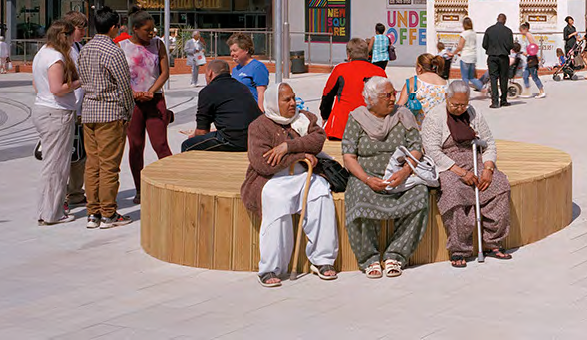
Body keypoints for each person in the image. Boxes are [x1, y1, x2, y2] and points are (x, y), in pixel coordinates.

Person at [242, 82, 337, 286]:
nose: (293, 103)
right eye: (287, 100)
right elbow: (263, 163)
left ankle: (323, 260)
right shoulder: (259, 126)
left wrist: (288, 147)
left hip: (305, 174)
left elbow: (318, 139)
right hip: (273, 179)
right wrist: (300, 155)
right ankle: (270, 268)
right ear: (274, 103)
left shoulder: (305, 118)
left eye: (294, 98)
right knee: (276, 202)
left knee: (321, 193)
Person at [341, 78, 430, 277]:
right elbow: (348, 156)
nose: (393, 98)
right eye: (387, 95)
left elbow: (416, 146)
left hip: (400, 174)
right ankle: (369, 258)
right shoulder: (356, 118)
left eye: (393, 93)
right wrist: (366, 179)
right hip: (367, 176)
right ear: (371, 100)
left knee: (420, 194)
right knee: (359, 197)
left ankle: (396, 255)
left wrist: (406, 170)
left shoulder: (403, 114)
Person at [422, 80, 512, 266]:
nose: (460, 108)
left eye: (464, 104)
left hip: (474, 158)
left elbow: (489, 144)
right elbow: (431, 150)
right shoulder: (434, 117)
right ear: (447, 98)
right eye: (455, 104)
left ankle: (493, 241)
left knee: (499, 184)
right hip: (447, 164)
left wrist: (488, 168)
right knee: (454, 193)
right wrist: (460, 172)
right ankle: (459, 248)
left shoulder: (474, 112)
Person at [77, 5, 135, 229]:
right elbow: (123, 84)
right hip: (110, 112)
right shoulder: (113, 51)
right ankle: (108, 213)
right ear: (113, 27)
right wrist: (128, 112)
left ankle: (93, 213)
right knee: (110, 166)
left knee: (93, 165)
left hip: (89, 110)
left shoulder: (85, 49)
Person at [31, 20, 81, 225]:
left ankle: (47, 210)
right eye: (71, 36)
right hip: (57, 113)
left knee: (52, 164)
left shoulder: (42, 52)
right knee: (57, 166)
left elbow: (37, 83)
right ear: (65, 36)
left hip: (44, 109)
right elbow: (57, 88)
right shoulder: (56, 57)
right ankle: (52, 213)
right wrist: (80, 81)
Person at [120, 11, 172, 203]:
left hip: (154, 99)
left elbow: (164, 72)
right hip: (132, 102)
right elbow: (119, 75)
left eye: (153, 29)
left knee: (161, 144)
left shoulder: (158, 44)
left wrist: (151, 91)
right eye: (147, 30)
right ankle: (140, 189)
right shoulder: (122, 46)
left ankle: (169, 184)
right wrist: (132, 93)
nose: (152, 33)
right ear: (135, 29)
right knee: (136, 146)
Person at [181, 59, 262, 151]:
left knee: (187, 145)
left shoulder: (207, 91)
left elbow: (202, 131)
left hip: (233, 140)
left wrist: (194, 137)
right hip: (254, 137)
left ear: (210, 73)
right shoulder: (242, 87)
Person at [320, 38, 388, 139]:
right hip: (372, 130)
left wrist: (325, 116)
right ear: (367, 54)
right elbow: (387, 100)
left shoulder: (340, 69)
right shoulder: (380, 72)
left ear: (348, 55)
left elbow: (327, 96)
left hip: (341, 129)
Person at [63, 10, 89, 209]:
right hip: (66, 108)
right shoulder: (61, 51)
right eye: (81, 28)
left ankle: (76, 192)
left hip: (81, 109)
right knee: (64, 154)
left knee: (80, 154)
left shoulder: (80, 46)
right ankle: (62, 194)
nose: (83, 32)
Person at [397, 53, 449, 125]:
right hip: (439, 126)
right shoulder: (445, 83)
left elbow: (400, 106)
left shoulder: (413, 81)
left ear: (419, 67)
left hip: (418, 127)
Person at [229, 33, 269, 109]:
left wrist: (260, 114)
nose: (232, 54)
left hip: (253, 112)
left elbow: (261, 93)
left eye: (235, 50)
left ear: (246, 50)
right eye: (231, 51)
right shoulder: (235, 70)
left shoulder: (257, 67)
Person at [483, 13, 514, 109]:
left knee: (493, 78)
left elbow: (484, 44)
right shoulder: (508, 31)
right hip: (503, 57)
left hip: (492, 57)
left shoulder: (489, 30)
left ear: (497, 19)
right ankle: (503, 100)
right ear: (505, 20)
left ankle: (495, 101)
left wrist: (491, 49)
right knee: (503, 78)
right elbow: (510, 45)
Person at [457, 18, 488, 91]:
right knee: (472, 77)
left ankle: (465, 92)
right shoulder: (473, 33)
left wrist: (454, 52)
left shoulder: (464, 34)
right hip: (473, 56)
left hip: (465, 56)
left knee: (465, 77)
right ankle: (482, 87)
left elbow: (460, 46)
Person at [518, 22, 546, 98]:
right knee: (525, 75)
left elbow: (533, 46)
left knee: (534, 76)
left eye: (521, 30)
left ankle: (541, 91)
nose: (520, 33)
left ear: (525, 29)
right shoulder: (527, 36)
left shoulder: (528, 35)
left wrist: (527, 53)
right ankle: (527, 91)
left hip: (532, 59)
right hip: (529, 58)